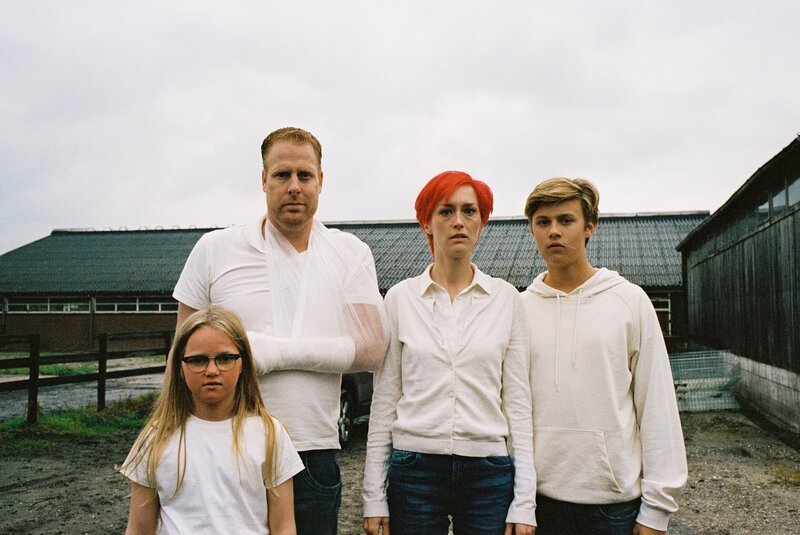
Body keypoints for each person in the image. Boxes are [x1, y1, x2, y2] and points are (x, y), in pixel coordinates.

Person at [172, 127, 388, 535]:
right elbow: (182, 350)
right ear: (263, 179)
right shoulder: (215, 249)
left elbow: (373, 348)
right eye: (282, 175)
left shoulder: (349, 252)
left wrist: (270, 353)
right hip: (226, 444)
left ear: (321, 181)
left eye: (304, 176)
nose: (294, 187)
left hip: (310, 453)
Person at [362, 171, 535, 535]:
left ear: (481, 222)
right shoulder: (399, 299)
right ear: (427, 222)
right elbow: (385, 400)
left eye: (469, 211)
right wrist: (373, 496)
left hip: (488, 472)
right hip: (415, 472)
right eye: (446, 211)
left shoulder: (506, 300)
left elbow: (517, 403)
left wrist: (524, 502)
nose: (458, 221)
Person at [521, 177, 687, 534]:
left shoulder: (629, 301)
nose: (554, 232)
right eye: (543, 222)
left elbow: (656, 404)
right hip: (535, 503)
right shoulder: (520, 309)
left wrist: (657, 509)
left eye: (566, 220)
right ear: (532, 230)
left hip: (612, 507)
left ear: (589, 228)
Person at [120, 306, 304, 535]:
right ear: (180, 366)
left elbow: (284, 526)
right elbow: (138, 528)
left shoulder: (270, 434)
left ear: (243, 362)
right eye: (198, 360)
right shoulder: (155, 438)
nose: (212, 370)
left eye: (225, 359)